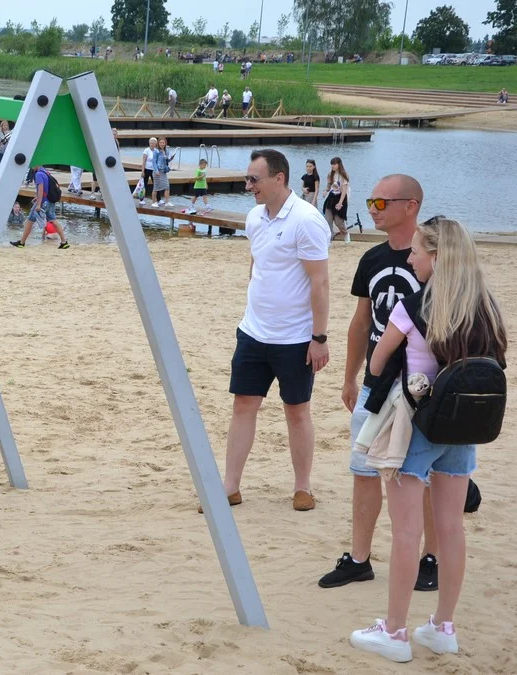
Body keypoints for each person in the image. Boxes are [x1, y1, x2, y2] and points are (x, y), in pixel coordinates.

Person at [349, 216, 507, 663]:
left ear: (436, 257)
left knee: (405, 531)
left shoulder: (416, 305)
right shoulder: (485, 306)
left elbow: (377, 362)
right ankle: (443, 626)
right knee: (452, 528)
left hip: (417, 426)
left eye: (418, 251)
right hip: (464, 425)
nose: (412, 258)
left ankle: (395, 632)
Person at [319, 175, 439, 592]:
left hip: (422, 386)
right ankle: (358, 559)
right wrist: (351, 377)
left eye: (381, 202)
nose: (372, 208)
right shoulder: (370, 258)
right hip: (376, 384)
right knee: (363, 470)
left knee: (423, 474)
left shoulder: (432, 257)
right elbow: (360, 322)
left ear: (411, 206)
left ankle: (431, 559)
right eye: (370, 200)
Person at [212, 149, 329, 513]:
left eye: (254, 179)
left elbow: (320, 282)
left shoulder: (307, 220)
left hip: (295, 338)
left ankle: (302, 487)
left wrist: (319, 337)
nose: (249, 186)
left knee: (297, 410)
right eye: (247, 178)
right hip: (253, 332)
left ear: (279, 178)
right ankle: (230, 486)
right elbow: (257, 262)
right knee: (243, 406)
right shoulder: (254, 217)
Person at [10, 164, 68, 249]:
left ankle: (22, 242)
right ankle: (64, 242)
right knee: (53, 220)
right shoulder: (45, 172)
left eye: (32, 164)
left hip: (43, 202)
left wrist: (38, 204)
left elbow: (41, 189)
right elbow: (46, 188)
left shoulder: (38, 174)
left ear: (37, 164)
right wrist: (37, 197)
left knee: (29, 221)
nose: (31, 166)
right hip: (50, 201)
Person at [323, 157, 352, 243]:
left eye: (335, 164)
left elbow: (344, 191)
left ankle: (346, 233)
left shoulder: (344, 175)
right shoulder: (330, 174)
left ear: (339, 164)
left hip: (341, 198)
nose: (333, 166)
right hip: (331, 197)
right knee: (328, 219)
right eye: (332, 164)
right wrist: (325, 191)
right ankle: (330, 238)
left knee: (338, 221)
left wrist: (340, 203)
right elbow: (329, 185)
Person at [151, 137, 174, 208]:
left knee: (167, 186)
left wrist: (170, 159)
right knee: (156, 187)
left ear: (165, 143)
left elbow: (166, 161)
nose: (162, 144)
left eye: (163, 143)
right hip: (157, 171)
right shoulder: (156, 151)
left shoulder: (166, 151)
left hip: (163, 171)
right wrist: (156, 170)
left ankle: (167, 202)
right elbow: (154, 162)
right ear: (158, 143)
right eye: (160, 142)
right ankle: (154, 202)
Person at [139, 137, 157, 206]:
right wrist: (142, 171)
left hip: (154, 170)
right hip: (147, 169)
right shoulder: (146, 150)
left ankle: (158, 199)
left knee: (156, 185)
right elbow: (143, 162)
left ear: (156, 144)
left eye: (153, 143)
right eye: (151, 143)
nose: (152, 144)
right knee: (144, 185)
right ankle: (142, 199)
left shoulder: (156, 151)